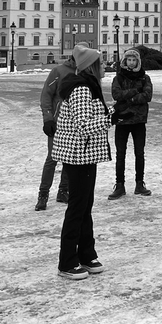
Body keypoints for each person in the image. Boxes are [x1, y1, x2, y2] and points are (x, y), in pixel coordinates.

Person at [53, 46, 113, 279]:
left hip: (85, 154)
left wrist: (111, 113)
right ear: (92, 66)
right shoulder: (81, 89)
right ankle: (67, 262)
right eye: (102, 62)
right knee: (78, 208)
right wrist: (111, 120)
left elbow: (89, 117)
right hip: (78, 155)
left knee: (85, 206)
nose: (106, 65)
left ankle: (86, 254)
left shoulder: (88, 86)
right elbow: (84, 125)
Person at [36, 47, 89, 209]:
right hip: (57, 123)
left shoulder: (85, 73)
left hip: (75, 124)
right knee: (52, 159)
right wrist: (48, 119)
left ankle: (63, 191)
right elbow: (46, 95)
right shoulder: (58, 71)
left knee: (69, 159)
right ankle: (43, 194)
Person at [108, 47, 153, 199]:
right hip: (122, 120)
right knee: (120, 154)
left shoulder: (144, 78)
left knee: (139, 153)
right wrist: (134, 92)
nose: (132, 62)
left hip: (139, 120)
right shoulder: (118, 78)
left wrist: (130, 99)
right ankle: (119, 184)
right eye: (129, 59)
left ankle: (139, 183)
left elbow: (147, 95)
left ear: (138, 62)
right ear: (124, 61)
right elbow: (116, 94)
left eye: (134, 60)